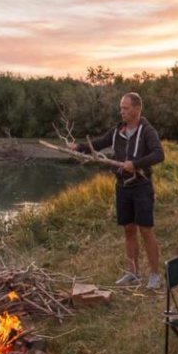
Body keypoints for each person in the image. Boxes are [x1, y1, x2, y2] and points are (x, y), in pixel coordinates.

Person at [68, 92, 165, 289]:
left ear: (137, 109)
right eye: (121, 108)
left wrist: (135, 164)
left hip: (141, 186)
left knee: (145, 230)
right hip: (122, 187)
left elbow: (159, 154)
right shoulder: (117, 130)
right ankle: (133, 272)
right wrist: (78, 147)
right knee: (129, 229)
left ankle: (154, 275)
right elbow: (100, 143)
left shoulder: (147, 130)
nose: (122, 111)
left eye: (126, 108)